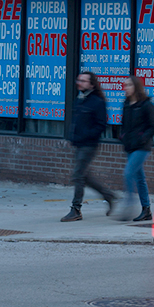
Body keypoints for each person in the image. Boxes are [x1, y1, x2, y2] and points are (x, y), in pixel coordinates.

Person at [61, 71, 117, 222]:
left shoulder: (97, 102)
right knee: (85, 177)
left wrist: (87, 135)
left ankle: (76, 209)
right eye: (79, 80)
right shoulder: (80, 99)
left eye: (84, 81)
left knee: (78, 176)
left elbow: (101, 125)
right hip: (79, 143)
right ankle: (108, 195)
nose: (79, 83)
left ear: (92, 84)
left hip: (89, 144)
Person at [118, 75, 154, 222]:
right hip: (130, 146)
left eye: (129, 85)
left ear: (136, 87)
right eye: (125, 85)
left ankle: (129, 205)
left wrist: (143, 138)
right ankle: (146, 210)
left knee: (128, 173)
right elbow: (124, 125)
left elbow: (153, 127)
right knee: (140, 178)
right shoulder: (126, 104)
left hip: (142, 147)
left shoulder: (146, 104)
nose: (126, 88)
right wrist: (123, 137)